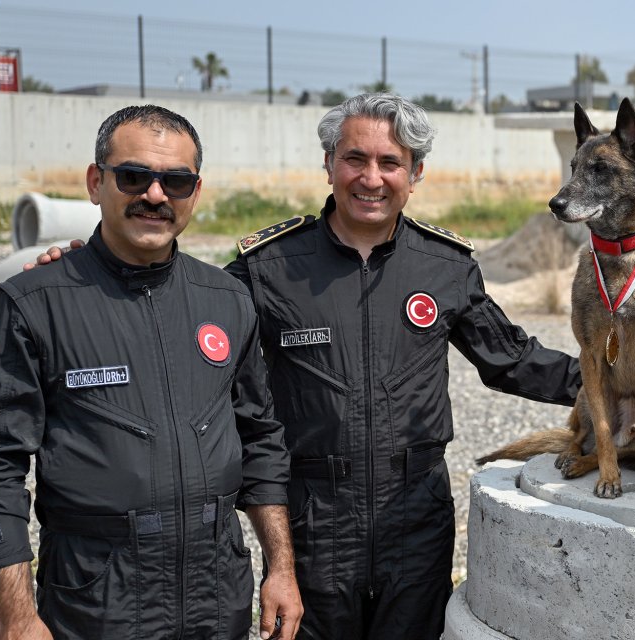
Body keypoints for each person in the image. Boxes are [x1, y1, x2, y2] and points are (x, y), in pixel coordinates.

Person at [37, 93, 583, 638]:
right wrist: (89, 273)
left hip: (416, 521)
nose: (371, 178)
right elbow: (181, 302)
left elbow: (512, 359)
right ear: (329, 165)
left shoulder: (446, 267)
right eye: (355, 159)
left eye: (390, 163)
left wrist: (625, 386)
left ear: (415, 174)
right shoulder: (268, 267)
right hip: (314, 526)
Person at [0, 105, 302, 639]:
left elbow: (260, 439)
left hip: (218, 600)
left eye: (176, 180)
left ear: (196, 191)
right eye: (134, 176)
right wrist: (18, 617)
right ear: (97, 183)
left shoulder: (227, 300)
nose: (156, 195)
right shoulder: (34, 303)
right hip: (99, 606)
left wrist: (280, 568)